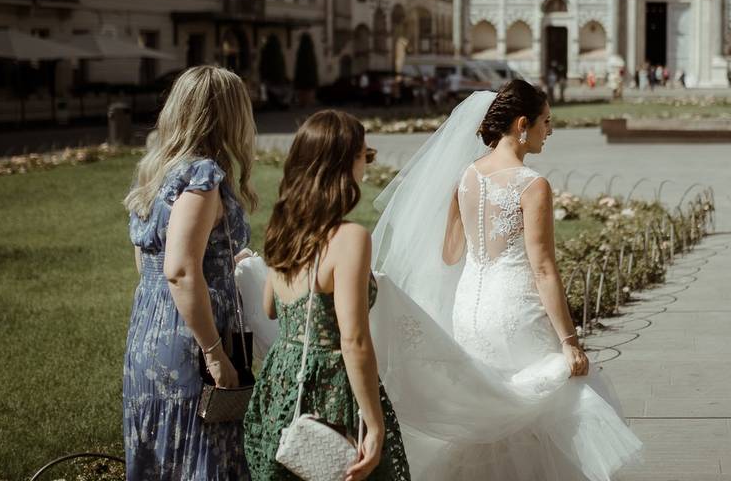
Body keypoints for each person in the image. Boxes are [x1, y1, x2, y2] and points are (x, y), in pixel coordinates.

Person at [370, 81, 642, 480]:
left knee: (489, 416)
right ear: (521, 125)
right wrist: (570, 343)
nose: (549, 131)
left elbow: (450, 254)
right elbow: (544, 268)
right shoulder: (532, 185)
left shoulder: (465, 177)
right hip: (516, 310)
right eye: (545, 122)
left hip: (470, 310)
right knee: (541, 413)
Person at [243, 111, 411, 481]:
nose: (366, 165)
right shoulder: (349, 238)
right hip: (331, 387)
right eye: (363, 155)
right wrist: (374, 423)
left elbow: (271, 308)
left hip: (280, 382)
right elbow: (352, 339)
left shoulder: (282, 228)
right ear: (344, 163)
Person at [123, 65, 258, 480]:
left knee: (164, 456)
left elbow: (150, 261)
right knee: (203, 455)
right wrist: (215, 353)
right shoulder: (201, 177)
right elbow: (180, 271)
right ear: (227, 117)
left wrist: (224, 262)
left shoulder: (158, 171)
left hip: (150, 330)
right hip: (192, 342)